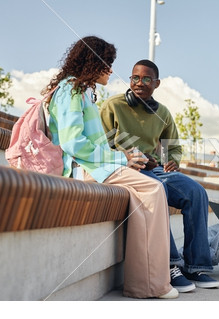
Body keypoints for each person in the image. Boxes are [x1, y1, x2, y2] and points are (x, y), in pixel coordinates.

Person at [42, 36, 177, 299]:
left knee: (145, 191)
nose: (112, 70)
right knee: (153, 188)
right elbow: (73, 143)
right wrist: (120, 160)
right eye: (108, 63)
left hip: (96, 165)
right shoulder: (70, 90)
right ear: (94, 62)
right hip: (83, 169)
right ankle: (151, 284)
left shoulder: (81, 91)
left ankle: (144, 283)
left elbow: (92, 143)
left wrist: (124, 156)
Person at [100, 59, 219, 291]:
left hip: (154, 169)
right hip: (126, 169)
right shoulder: (112, 106)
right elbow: (103, 147)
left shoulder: (162, 113)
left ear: (157, 83)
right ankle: (170, 265)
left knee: (196, 192)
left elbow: (171, 148)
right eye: (135, 77)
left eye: (146, 79)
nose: (139, 83)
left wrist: (170, 162)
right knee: (159, 189)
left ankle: (196, 266)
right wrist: (130, 156)